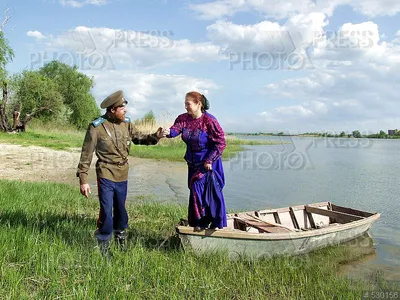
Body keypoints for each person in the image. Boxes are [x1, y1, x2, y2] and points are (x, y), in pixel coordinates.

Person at [77, 90, 163, 256]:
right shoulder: (96, 127)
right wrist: (83, 179)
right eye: (122, 109)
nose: (125, 111)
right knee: (107, 210)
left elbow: (139, 138)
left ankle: (121, 238)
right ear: (112, 110)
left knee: (121, 211)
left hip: (123, 173)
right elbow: (86, 154)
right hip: (106, 172)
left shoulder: (127, 124)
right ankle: (103, 244)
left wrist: (155, 136)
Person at [164, 91, 227, 230]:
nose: (185, 106)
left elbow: (221, 142)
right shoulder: (183, 118)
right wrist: (166, 132)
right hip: (192, 163)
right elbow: (175, 130)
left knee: (205, 192)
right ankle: (199, 223)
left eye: (188, 103)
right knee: (194, 191)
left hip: (208, 165)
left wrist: (209, 160)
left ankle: (212, 222)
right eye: (185, 103)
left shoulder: (209, 121)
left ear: (199, 104)